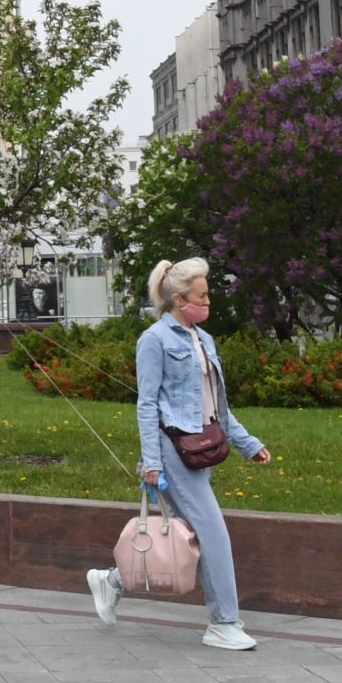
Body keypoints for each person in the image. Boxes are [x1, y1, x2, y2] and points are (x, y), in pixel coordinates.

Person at [88, 258, 271, 650]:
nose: (208, 302)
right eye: (201, 295)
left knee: (201, 535)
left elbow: (216, 407)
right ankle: (224, 623)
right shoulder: (154, 340)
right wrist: (151, 461)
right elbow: (147, 404)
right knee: (214, 535)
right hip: (172, 452)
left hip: (199, 449)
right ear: (178, 298)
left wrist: (248, 444)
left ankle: (111, 581)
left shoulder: (204, 340)